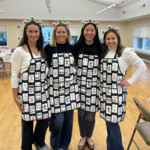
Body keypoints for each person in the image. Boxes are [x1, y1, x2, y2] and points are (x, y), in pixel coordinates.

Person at [99, 27, 147, 150]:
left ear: (118, 39)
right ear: (105, 40)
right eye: (108, 39)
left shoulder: (125, 52)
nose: (110, 41)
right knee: (108, 124)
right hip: (105, 94)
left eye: (113, 38)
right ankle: (110, 148)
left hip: (115, 95)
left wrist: (129, 81)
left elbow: (142, 67)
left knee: (112, 124)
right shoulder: (105, 52)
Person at [11, 18, 51, 150]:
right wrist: (15, 97)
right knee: (27, 123)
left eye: (36, 31)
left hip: (42, 92)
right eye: (30, 31)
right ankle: (26, 146)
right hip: (27, 93)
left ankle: (39, 142)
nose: (33, 34)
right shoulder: (19, 51)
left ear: (40, 33)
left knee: (44, 119)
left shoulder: (42, 50)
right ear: (25, 32)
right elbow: (14, 75)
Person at [44, 21, 80, 150]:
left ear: (67, 33)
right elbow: (40, 65)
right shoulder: (48, 48)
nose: (61, 34)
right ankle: (55, 145)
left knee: (68, 121)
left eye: (63, 32)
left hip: (69, 89)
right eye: (58, 32)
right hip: (55, 90)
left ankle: (64, 146)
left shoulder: (73, 48)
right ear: (55, 34)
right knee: (58, 121)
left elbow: (77, 64)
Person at [74, 20, 102, 150]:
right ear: (83, 31)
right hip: (80, 86)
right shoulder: (77, 46)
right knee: (80, 114)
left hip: (94, 87)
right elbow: (72, 64)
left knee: (90, 116)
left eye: (92, 30)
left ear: (95, 32)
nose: (89, 32)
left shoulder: (101, 47)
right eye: (87, 30)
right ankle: (82, 137)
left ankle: (89, 136)